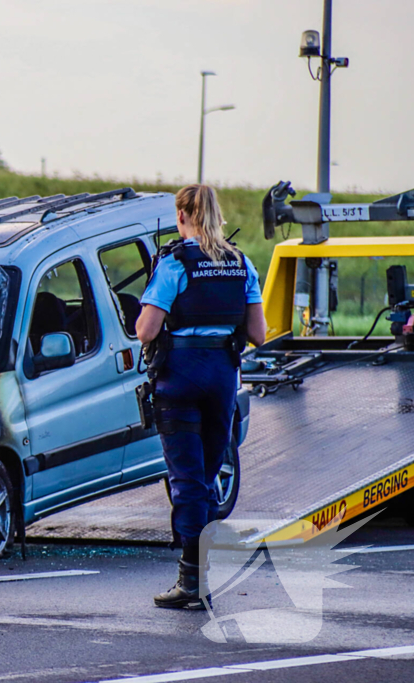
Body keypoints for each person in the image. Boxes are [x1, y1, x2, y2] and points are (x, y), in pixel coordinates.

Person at [136, 184, 266, 610]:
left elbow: (147, 330)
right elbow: (258, 333)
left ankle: (191, 582)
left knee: (187, 479)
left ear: (182, 217)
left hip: (180, 376)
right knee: (207, 476)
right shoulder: (241, 263)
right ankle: (201, 575)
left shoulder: (175, 263)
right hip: (222, 377)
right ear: (218, 216)